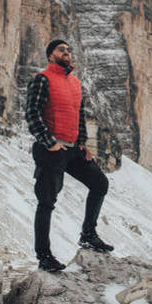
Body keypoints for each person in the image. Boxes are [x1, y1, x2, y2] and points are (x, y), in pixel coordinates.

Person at [25, 39, 113, 272]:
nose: (67, 53)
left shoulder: (74, 83)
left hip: (73, 149)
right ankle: (44, 256)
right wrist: (49, 142)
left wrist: (82, 143)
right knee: (46, 202)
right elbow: (32, 114)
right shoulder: (42, 79)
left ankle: (88, 234)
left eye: (68, 50)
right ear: (50, 55)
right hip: (51, 150)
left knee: (100, 183)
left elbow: (78, 115)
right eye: (61, 49)